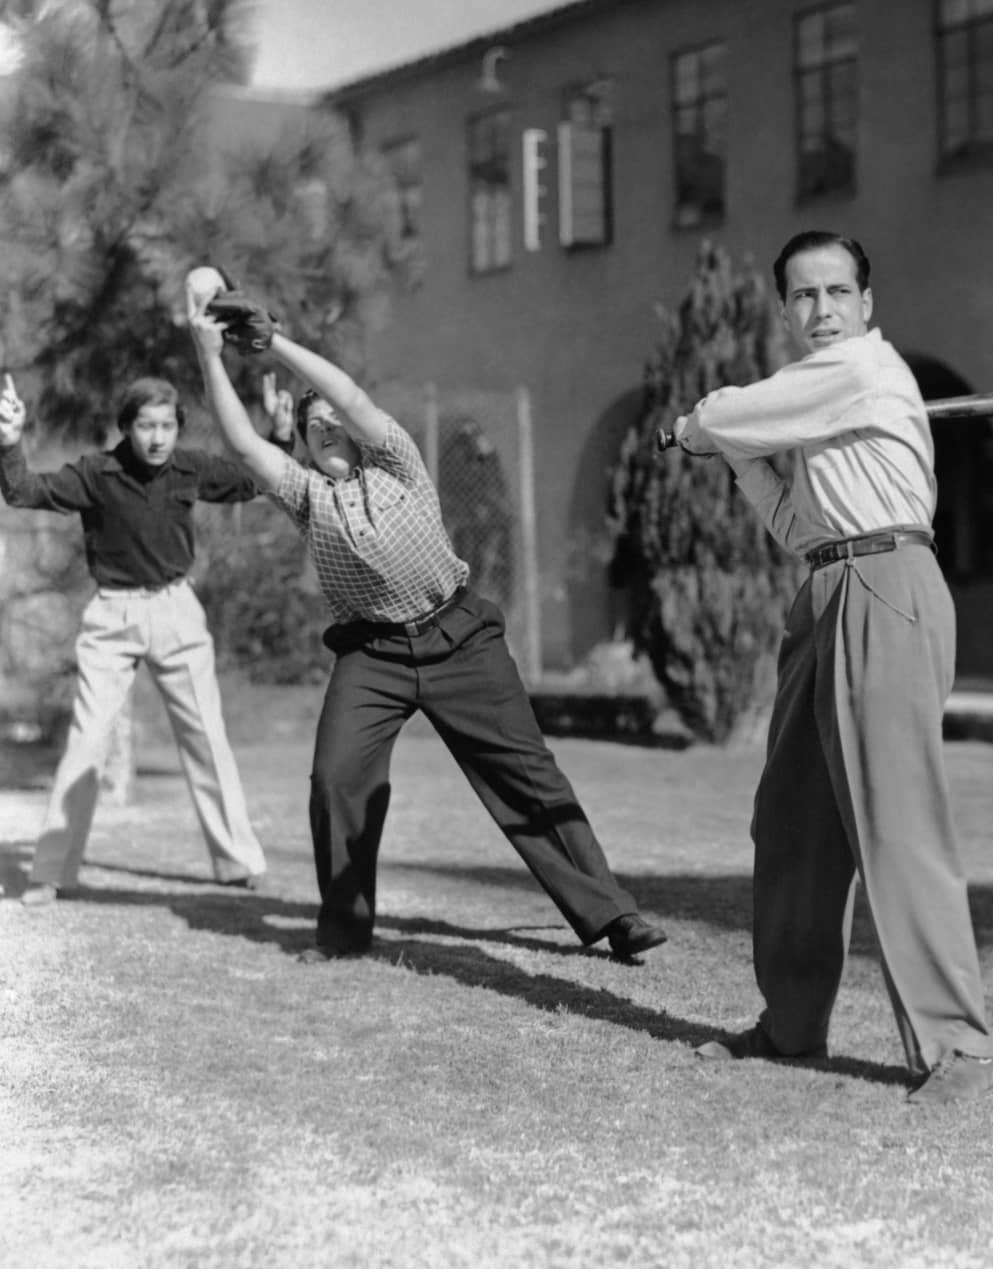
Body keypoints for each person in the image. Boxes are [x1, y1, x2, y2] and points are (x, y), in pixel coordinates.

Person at [184, 271, 667, 964]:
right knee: (335, 781)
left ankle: (613, 916)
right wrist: (207, 355)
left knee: (528, 777)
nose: (323, 428)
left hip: (460, 637)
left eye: (332, 422)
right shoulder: (306, 498)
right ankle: (345, 933)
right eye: (309, 426)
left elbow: (347, 396)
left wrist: (276, 343)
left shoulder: (398, 462)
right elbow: (243, 444)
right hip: (372, 656)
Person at [672, 231, 993, 1106]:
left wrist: (702, 426)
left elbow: (733, 414)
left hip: (886, 584)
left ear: (865, 305)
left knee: (897, 821)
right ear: (785, 310)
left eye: (837, 293)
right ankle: (790, 1026)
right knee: (791, 822)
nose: (822, 311)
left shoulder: (858, 370)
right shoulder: (812, 408)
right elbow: (792, 523)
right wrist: (731, 449)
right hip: (824, 587)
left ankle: (953, 1047)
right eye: (804, 297)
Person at [0, 369, 285, 905]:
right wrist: (10, 443)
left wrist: (281, 438)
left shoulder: (188, 468)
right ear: (126, 428)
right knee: (87, 742)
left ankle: (238, 864)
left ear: (178, 429)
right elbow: (23, 491)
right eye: (145, 426)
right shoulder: (97, 473)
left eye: (166, 426)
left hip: (177, 610)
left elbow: (255, 482)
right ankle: (51, 873)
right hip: (112, 617)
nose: (157, 437)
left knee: (206, 737)